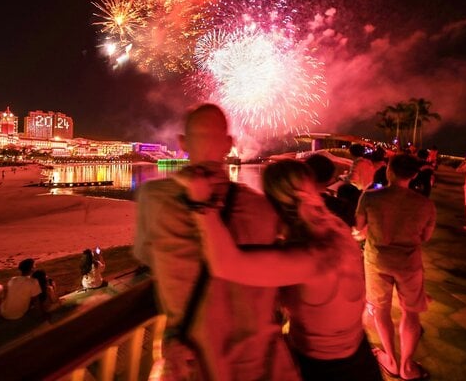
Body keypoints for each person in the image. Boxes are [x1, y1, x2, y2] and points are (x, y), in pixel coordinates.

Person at [134, 103, 299, 381]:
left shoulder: (154, 198)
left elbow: (147, 257)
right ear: (229, 145)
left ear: (183, 143)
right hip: (266, 364)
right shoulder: (264, 209)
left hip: (199, 364)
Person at [178, 159, 383, 381]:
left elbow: (224, 264)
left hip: (326, 371)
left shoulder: (312, 259)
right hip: (360, 358)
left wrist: (201, 203)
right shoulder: (337, 228)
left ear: (274, 204)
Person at [355, 154, 436, 380]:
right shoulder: (425, 204)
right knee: (411, 313)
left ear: (389, 170)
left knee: (381, 311)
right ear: (414, 175)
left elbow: (359, 226)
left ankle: (390, 359)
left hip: (377, 260)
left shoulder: (370, 197)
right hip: (409, 263)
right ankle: (407, 367)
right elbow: (426, 236)